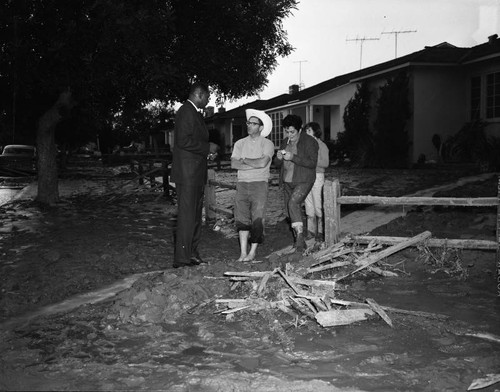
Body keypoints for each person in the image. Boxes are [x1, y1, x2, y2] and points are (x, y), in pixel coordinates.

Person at [170, 82, 211, 268]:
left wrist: (206, 152)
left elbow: (192, 142)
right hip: (188, 175)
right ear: (199, 94)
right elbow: (183, 141)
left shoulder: (193, 113)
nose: (209, 100)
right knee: (187, 217)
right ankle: (182, 258)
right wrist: (207, 148)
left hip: (195, 174)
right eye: (208, 97)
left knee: (194, 217)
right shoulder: (186, 111)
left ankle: (191, 254)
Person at [231, 109, 275, 262]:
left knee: (257, 217)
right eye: (248, 123)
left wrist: (245, 160)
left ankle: (253, 252)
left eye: (253, 123)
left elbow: (264, 163)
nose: (249, 125)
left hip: (259, 184)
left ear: (261, 128)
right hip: (242, 184)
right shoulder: (239, 143)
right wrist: (254, 163)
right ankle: (243, 252)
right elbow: (234, 163)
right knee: (241, 217)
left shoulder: (268, 143)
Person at [274, 114, 318, 251]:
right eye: (286, 131)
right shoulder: (284, 142)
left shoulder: (310, 142)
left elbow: (312, 163)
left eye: (292, 132)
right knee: (290, 211)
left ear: (300, 130)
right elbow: (277, 164)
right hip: (287, 180)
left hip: (304, 179)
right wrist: (278, 158)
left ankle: (299, 240)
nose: (289, 135)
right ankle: (299, 239)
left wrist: (293, 157)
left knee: (293, 203)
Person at [304, 122, 330, 241]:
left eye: (309, 130)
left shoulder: (322, 145)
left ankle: (320, 231)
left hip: (318, 175)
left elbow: (325, 163)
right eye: (306, 131)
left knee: (318, 204)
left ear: (315, 131)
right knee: (308, 204)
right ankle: (310, 231)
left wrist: (311, 161)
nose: (306, 133)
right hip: (306, 176)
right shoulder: (305, 146)